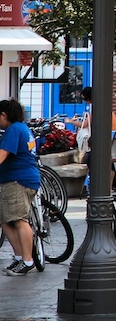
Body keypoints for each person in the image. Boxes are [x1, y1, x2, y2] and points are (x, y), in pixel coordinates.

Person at [0, 99, 39, 276]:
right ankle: (19, 257)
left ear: (4, 115)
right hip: (18, 179)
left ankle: (27, 261)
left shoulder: (14, 130)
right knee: (6, 220)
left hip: (18, 181)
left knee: (18, 220)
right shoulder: (22, 128)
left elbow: (2, 156)